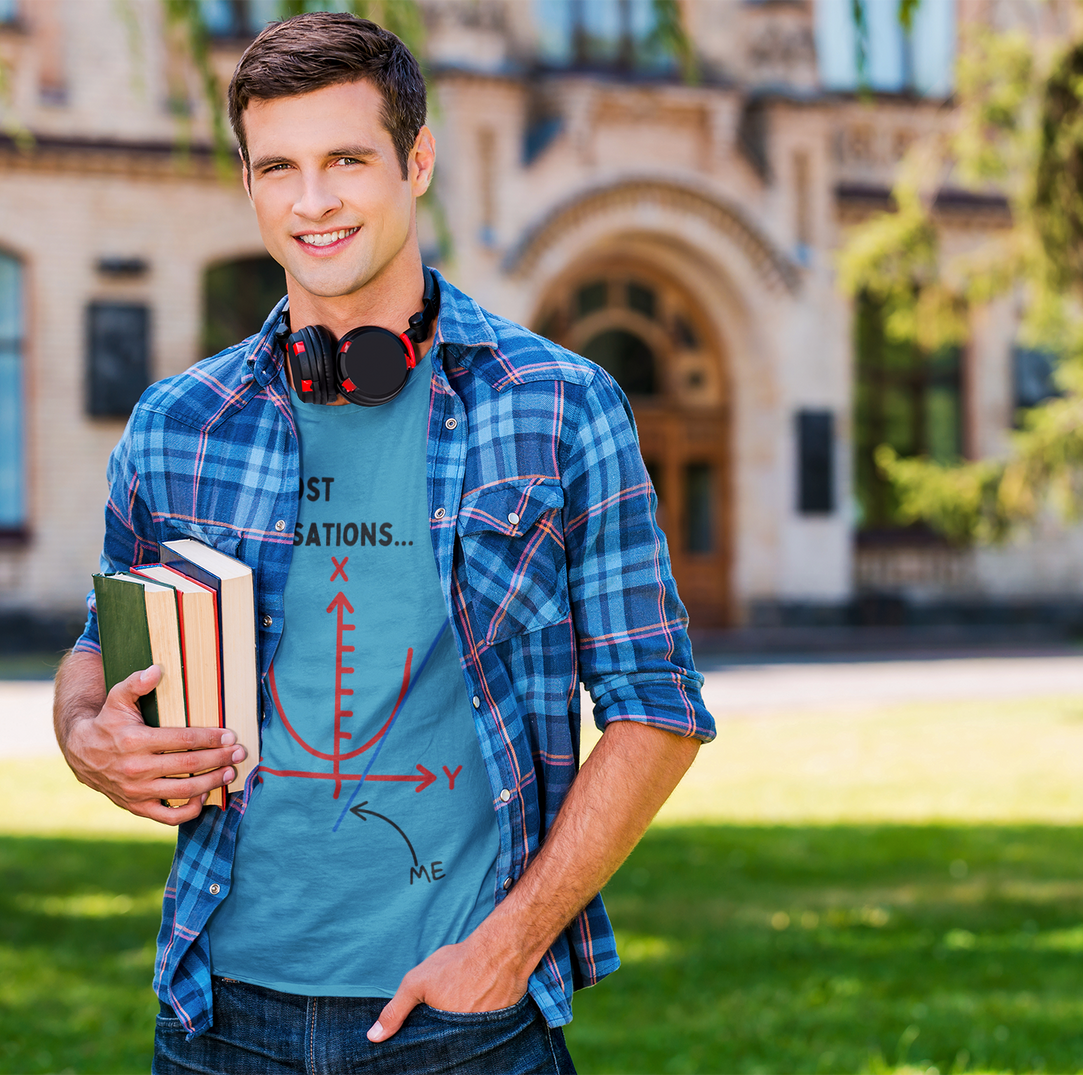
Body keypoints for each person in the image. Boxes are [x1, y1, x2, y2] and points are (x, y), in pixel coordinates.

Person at [52, 12, 715, 1074]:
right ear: (248, 182)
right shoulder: (175, 422)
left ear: (417, 162)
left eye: (346, 160)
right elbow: (99, 643)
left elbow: (657, 706)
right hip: (215, 1011)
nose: (311, 202)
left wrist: (502, 953)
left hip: (466, 1021)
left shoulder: (557, 405)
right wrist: (87, 734)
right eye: (278, 167)